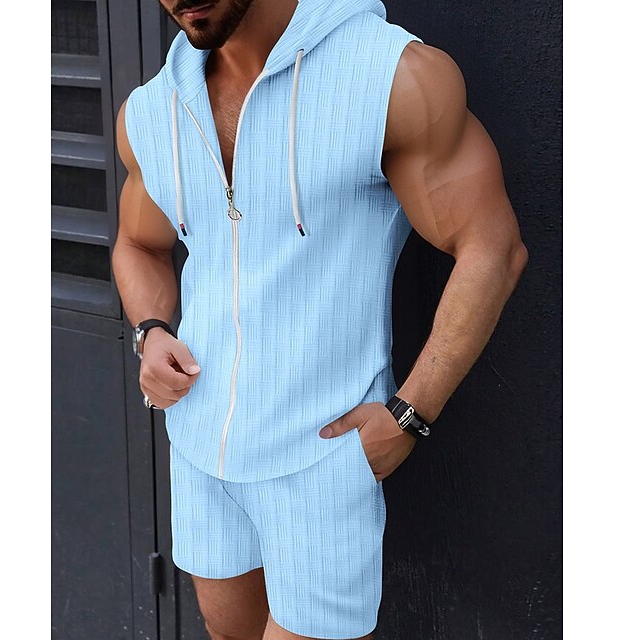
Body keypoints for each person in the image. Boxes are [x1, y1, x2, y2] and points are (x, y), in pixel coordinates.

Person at [111, 0, 529, 637]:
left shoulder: (390, 75)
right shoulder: (151, 110)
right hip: (198, 443)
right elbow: (138, 244)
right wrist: (151, 331)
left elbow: (492, 247)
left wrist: (410, 413)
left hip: (323, 454)